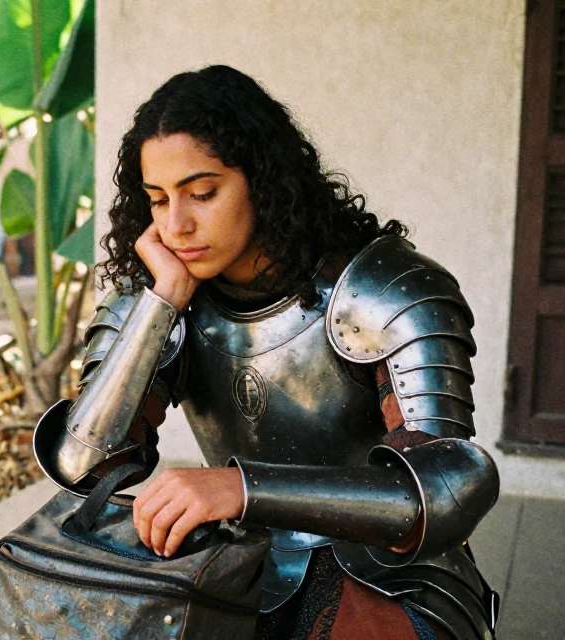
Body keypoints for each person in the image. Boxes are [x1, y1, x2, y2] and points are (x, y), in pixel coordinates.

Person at [32, 64, 500, 640]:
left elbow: (447, 487)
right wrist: (164, 301)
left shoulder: (382, 289)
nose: (176, 224)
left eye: (202, 193)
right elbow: (84, 462)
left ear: (264, 179)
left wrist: (237, 488)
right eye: (157, 200)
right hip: (232, 556)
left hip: (380, 569)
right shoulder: (160, 292)